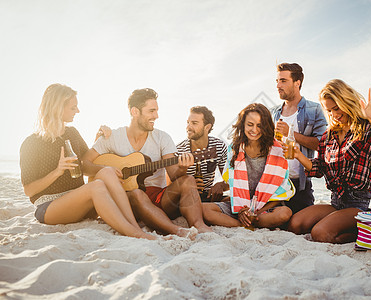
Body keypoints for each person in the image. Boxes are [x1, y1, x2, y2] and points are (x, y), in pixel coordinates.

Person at [19, 83, 157, 240]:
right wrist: (57, 171)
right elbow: (29, 190)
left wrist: (101, 140)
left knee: (106, 171)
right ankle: (135, 233)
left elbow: (86, 165)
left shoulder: (72, 133)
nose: (77, 111)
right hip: (49, 207)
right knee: (96, 186)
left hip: (80, 202)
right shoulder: (31, 143)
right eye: (73, 107)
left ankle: (133, 225)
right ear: (58, 107)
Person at [82, 88, 212, 237]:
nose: (156, 116)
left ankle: (199, 225)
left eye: (156, 111)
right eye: (151, 111)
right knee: (137, 193)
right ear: (135, 112)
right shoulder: (113, 137)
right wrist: (107, 170)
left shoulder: (162, 137)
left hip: (159, 198)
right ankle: (176, 231)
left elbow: (175, 175)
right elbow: (85, 164)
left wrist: (183, 168)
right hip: (128, 201)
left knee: (188, 180)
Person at [285, 79, 371, 244]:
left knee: (320, 233)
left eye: (336, 108)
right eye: (329, 111)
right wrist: (298, 155)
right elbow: (319, 168)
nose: (334, 115)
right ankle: (355, 230)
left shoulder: (366, 127)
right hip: (337, 202)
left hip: (363, 204)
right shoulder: (328, 135)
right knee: (295, 224)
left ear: (346, 102)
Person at [202, 103, 294, 229]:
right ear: (243, 125)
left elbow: (280, 192)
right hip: (241, 206)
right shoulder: (234, 149)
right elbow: (234, 183)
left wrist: (256, 213)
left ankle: (247, 222)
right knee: (203, 209)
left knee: (284, 213)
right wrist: (241, 211)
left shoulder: (277, 150)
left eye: (259, 126)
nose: (254, 130)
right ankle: (242, 224)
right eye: (250, 125)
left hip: (265, 208)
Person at [271, 63, 328, 215]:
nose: (278, 85)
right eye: (277, 81)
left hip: (301, 185)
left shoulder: (314, 109)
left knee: (300, 227)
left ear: (297, 83)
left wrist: (291, 134)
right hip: (275, 183)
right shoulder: (273, 113)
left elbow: (322, 144)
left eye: (283, 81)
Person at [176, 106, 228, 202]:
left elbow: (230, 179)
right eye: (188, 122)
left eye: (194, 123)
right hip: (185, 198)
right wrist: (188, 186)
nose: (188, 127)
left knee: (233, 201)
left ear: (207, 127)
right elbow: (168, 185)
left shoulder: (219, 146)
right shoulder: (179, 149)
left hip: (208, 196)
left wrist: (220, 185)